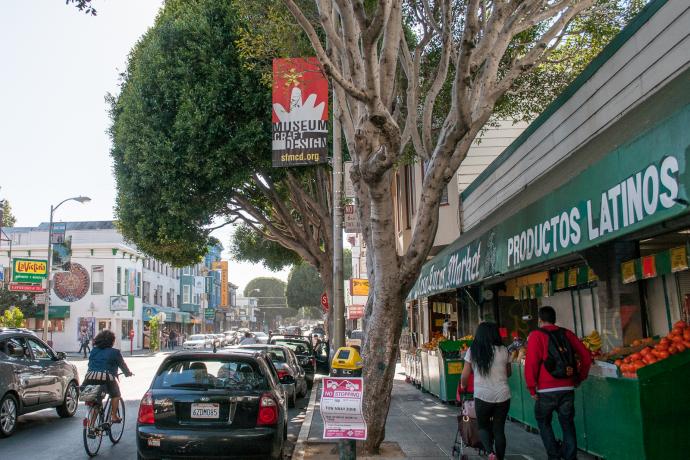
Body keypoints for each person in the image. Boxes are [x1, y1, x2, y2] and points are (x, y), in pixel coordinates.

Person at [525, 306, 592, 460]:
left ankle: (554, 455)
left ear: (540, 320)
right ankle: (570, 456)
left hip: (545, 390)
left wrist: (531, 388)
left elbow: (531, 363)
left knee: (543, 421)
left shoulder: (536, 335)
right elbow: (586, 357)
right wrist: (579, 378)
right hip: (567, 387)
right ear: (554, 318)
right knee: (567, 423)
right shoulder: (567, 333)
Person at [460, 322, 511, 460]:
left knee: (482, 426)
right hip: (503, 395)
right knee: (499, 429)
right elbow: (509, 373)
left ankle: (490, 453)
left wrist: (463, 386)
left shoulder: (473, 350)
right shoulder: (504, 350)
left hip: (482, 396)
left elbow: (464, 375)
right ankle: (500, 457)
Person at [82, 330, 133, 424]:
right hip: (106, 378)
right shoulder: (115, 352)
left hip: (89, 378)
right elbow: (123, 365)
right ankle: (113, 416)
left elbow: (90, 364)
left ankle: (91, 425)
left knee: (97, 401)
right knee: (116, 394)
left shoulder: (94, 351)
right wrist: (128, 373)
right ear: (111, 341)